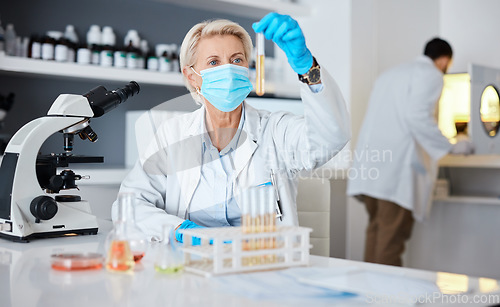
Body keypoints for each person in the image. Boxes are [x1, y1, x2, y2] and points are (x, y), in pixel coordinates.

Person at [112, 13, 350, 242]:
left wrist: (307, 67)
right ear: (192, 76)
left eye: (236, 60)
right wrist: (179, 231)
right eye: (214, 62)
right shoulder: (171, 135)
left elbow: (331, 136)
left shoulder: (276, 131)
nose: (227, 69)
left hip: (261, 266)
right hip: (191, 266)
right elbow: (130, 204)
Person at [347, 38, 462, 266]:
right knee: (390, 242)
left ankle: (368, 298)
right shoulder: (431, 75)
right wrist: (450, 146)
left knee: (376, 232)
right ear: (443, 61)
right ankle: (387, 300)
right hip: (395, 172)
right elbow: (417, 116)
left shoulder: (391, 74)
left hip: (371, 168)